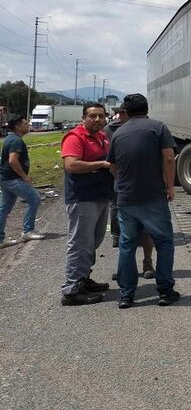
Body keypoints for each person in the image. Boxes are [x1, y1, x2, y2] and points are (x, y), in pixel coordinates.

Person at [107, 93, 179, 309]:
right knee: (164, 242)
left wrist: (124, 183)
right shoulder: (158, 128)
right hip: (153, 197)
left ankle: (126, 295)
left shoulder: (118, 134)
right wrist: (169, 186)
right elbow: (168, 157)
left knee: (127, 246)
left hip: (126, 199)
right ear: (147, 109)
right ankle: (165, 291)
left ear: (126, 112)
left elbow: (112, 166)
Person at [59, 103, 116, 305]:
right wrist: (100, 164)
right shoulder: (75, 137)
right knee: (80, 243)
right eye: (93, 116)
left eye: (101, 116)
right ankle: (72, 290)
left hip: (100, 195)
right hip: (82, 198)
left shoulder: (102, 137)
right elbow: (71, 164)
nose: (98, 120)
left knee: (94, 241)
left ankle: (84, 277)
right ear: (84, 118)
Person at [105, 106, 155, 278]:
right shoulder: (110, 130)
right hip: (122, 189)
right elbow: (110, 162)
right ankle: (125, 268)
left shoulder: (149, 128)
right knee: (125, 234)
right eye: (122, 112)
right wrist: (121, 180)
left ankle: (147, 264)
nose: (123, 115)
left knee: (146, 230)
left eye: (126, 112)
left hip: (144, 188)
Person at [0, 114, 45, 249]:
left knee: (5, 208)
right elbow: (13, 160)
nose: (28, 125)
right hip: (12, 179)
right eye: (25, 123)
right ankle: (28, 231)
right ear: (18, 126)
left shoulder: (11, 138)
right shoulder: (16, 141)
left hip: (5, 178)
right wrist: (24, 176)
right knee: (35, 198)